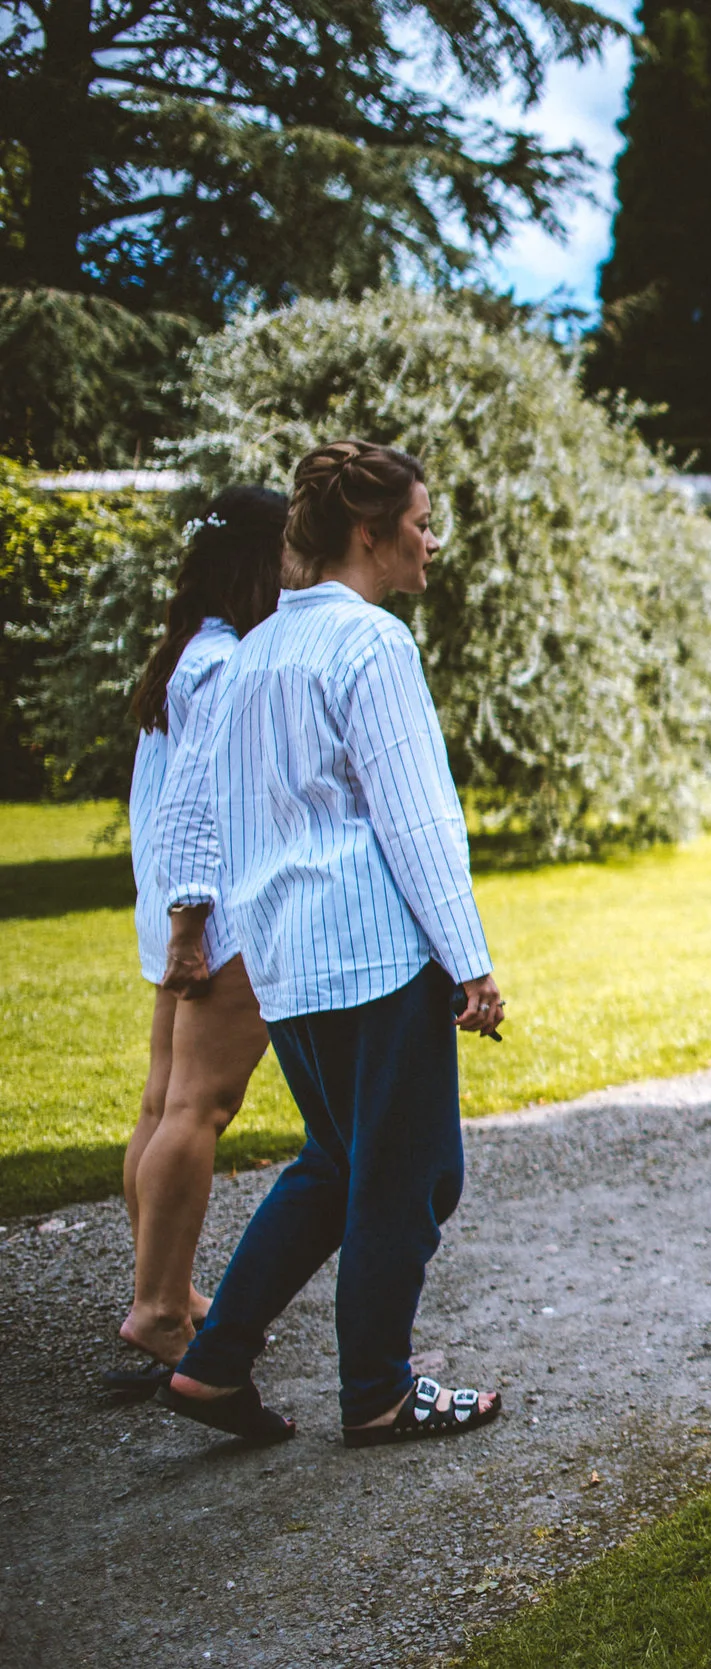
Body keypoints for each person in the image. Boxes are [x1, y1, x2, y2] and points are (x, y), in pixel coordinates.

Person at [156, 439, 507, 1447]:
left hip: (286, 960)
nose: (430, 539)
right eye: (420, 521)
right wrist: (469, 959)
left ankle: (216, 1362)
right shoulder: (369, 644)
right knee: (413, 1171)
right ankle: (382, 1391)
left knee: (335, 1160)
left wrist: (205, 921)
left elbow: (210, 809)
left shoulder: (256, 648)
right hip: (369, 951)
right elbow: (415, 816)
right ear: (370, 532)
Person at [111, 487, 288, 1387]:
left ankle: (166, 1291)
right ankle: (159, 1310)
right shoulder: (225, 664)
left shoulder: (190, 652)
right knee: (198, 1109)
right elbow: (196, 811)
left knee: (161, 1104)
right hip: (212, 920)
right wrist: (192, 924)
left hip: (179, 915)